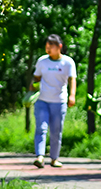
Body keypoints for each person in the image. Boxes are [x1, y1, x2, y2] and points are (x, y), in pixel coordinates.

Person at [31, 34, 77, 168]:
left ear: (59, 47)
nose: (48, 50)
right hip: (42, 100)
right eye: (47, 47)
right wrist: (30, 91)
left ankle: (54, 158)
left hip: (59, 101)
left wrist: (72, 95)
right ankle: (39, 157)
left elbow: (72, 79)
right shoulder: (42, 61)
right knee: (41, 128)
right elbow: (36, 78)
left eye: (51, 47)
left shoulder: (68, 62)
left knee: (56, 131)